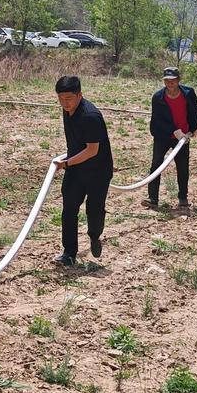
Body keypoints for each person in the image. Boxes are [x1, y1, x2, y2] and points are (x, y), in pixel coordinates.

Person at [53, 75, 114, 265]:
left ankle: (95, 236)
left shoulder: (90, 116)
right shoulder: (67, 110)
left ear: (79, 95)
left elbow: (92, 150)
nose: (65, 103)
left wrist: (67, 163)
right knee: (69, 209)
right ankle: (69, 253)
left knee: (94, 210)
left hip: (97, 171)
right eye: (61, 99)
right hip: (75, 169)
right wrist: (69, 162)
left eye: (69, 98)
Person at [145, 67, 197, 211]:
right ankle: (153, 198)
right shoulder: (158, 97)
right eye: (167, 80)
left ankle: (183, 197)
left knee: (182, 167)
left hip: (183, 138)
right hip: (163, 136)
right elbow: (157, 120)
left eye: (173, 80)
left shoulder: (188, 93)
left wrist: (194, 127)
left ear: (178, 80)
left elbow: (195, 110)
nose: (170, 83)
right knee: (156, 165)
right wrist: (173, 131)